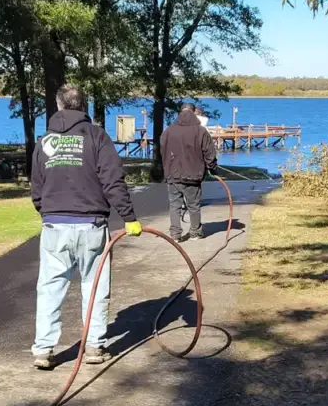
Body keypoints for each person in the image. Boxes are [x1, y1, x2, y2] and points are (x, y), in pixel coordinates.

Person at [31, 84, 142, 369]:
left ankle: (44, 349)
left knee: (50, 288)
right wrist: (129, 217)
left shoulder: (44, 141)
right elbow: (113, 181)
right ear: (83, 106)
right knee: (94, 285)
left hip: (55, 226)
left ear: (58, 106)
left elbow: (36, 188)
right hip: (91, 225)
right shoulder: (96, 137)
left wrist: (48, 213)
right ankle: (94, 346)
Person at [161, 103, 217, 242]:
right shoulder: (200, 131)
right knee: (194, 205)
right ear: (194, 113)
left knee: (175, 205)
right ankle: (195, 233)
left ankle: (175, 235)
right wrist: (212, 167)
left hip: (173, 174)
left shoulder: (169, 131)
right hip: (193, 174)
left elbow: (162, 150)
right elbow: (209, 152)